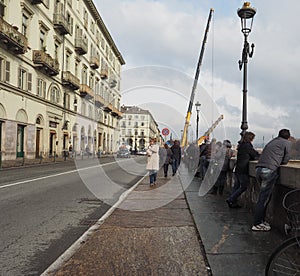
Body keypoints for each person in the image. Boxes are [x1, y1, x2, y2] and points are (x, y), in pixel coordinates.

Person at [252, 129, 291, 232]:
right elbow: (286, 159)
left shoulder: (273, 141)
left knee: (264, 197)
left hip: (258, 169)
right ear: (288, 137)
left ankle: (261, 220)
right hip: (269, 170)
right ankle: (257, 223)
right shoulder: (287, 143)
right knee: (263, 198)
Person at [226, 132, 259, 208]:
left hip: (237, 168)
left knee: (236, 186)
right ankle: (231, 199)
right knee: (243, 186)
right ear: (250, 138)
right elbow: (254, 155)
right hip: (243, 169)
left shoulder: (241, 146)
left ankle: (232, 202)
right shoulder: (248, 146)